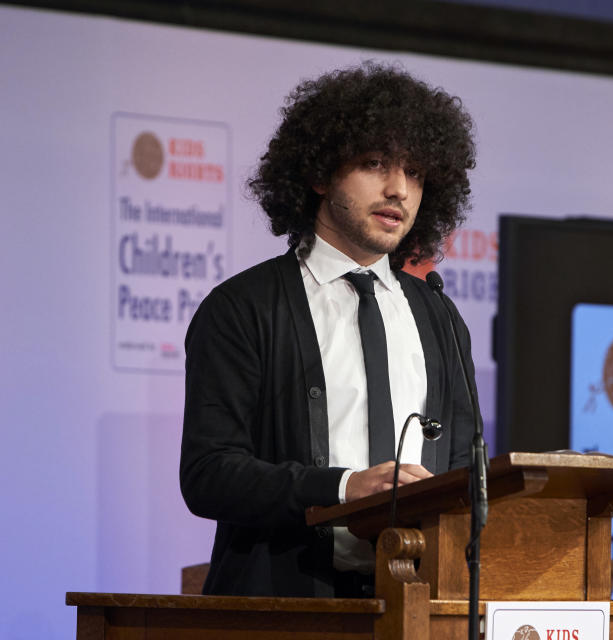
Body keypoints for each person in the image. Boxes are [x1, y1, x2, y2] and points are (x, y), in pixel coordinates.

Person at [180, 61, 480, 598]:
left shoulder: (440, 316)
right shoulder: (242, 308)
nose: (398, 190)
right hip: (286, 615)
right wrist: (343, 488)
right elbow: (209, 474)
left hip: (415, 611)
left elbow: (461, 475)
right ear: (320, 174)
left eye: (414, 172)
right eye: (374, 163)